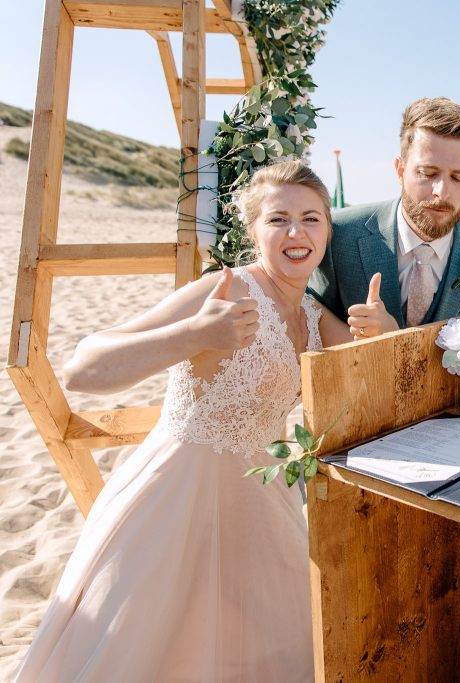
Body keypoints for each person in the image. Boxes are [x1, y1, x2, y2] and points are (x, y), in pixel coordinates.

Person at [13, 161, 351, 682]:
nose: (295, 232)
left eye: (311, 219)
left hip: (264, 506)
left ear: (328, 230)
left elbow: (368, 370)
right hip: (176, 500)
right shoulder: (224, 290)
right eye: (278, 218)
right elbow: (83, 367)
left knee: (280, 645)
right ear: (253, 229)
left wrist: (384, 328)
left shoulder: (312, 316)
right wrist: (193, 334)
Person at [310, 97, 460, 338]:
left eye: (458, 178)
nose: (442, 191)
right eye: (428, 173)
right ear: (400, 170)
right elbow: (311, 329)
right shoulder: (339, 234)